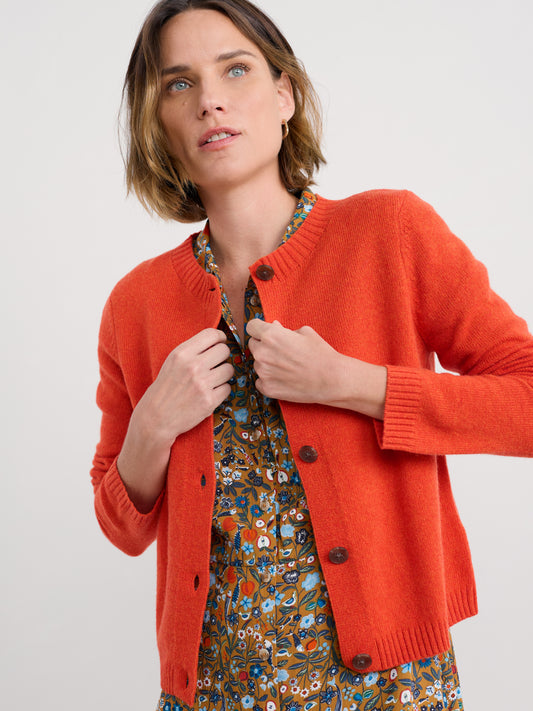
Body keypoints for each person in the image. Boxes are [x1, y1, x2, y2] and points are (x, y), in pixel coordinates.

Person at [90, 1, 533, 709]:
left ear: (284, 95)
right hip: (212, 692)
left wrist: (353, 383)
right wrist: (151, 426)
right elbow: (120, 523)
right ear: (159, 124)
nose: (209, 101)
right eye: (179, 83)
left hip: (390, 686)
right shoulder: (134, 304)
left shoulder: (390, 233)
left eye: (235, 70)